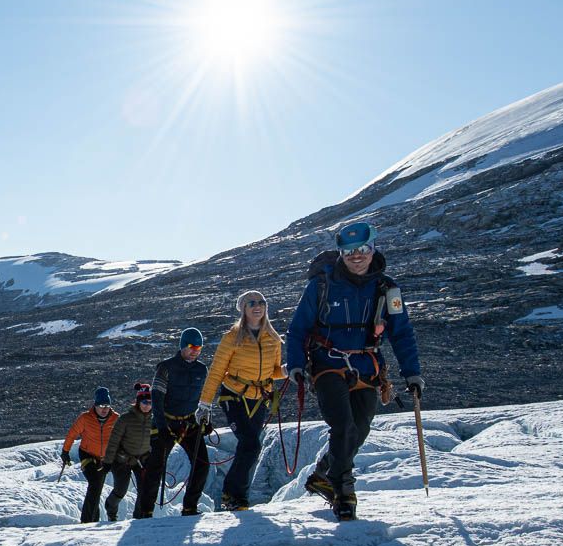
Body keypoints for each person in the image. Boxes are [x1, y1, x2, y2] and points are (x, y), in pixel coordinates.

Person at [284, 220, 422, 521]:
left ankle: (323, 473)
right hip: (327, 365)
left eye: (362, 249)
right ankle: (344, 495)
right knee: (343, 426)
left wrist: (412, 372)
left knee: (359, 430)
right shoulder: (321, 285)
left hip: (367, 368)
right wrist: (295, 364)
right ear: (340, 253)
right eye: (348, 251)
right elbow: (298, 329)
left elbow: (401, 333)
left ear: (373, 249)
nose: (356, 256)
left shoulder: (388, 289)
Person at [200, 290, 287, 511]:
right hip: (234, 396)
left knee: (249, 446)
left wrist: (286, 371)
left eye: (261, 302)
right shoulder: (232, 337)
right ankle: (233, 495)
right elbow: (217, 371)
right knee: (251, 444)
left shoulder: (273, 339)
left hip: (260, 398)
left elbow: (273, 371)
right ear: (243, 309)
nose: (257, 306)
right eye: (252, 303)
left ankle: (236, 497)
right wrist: (205, 404)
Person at [148, 327, 215, 516]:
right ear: (183, 345)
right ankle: (144, 512)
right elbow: (156, 399)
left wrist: (207, 420)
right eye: (192, 346)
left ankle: (190, 507)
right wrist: (161, 427)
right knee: (155, 468)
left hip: (189, 423)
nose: (195, 351)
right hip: (167, 422)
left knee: (202, 464)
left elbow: (205, 398)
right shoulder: (165, 367)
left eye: (199, 347)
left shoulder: (202, 370)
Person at [61, 387, 119, 524]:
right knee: (95, 483)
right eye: (101, 405)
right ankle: (86, 522)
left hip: (105, 458)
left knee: (97, 487)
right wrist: (65, 452)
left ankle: (94, 520)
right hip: (87, 454)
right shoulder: (85, 418)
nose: (104, 409)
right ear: (95, 405)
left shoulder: (116, 418)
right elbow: (72, 434)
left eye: (107, 405)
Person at [104, 381, 158, 520]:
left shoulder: (155, 419)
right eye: (144, 402)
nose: (147, 405)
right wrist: (107, 462)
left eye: (150, 403)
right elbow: (114, 441)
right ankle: (111, 510)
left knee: (144, 490)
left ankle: (138, 518)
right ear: (138, 402)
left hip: (142, 460)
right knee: (120, 490)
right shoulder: (125, 419)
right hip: (122, 459)